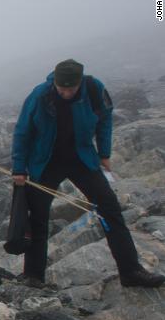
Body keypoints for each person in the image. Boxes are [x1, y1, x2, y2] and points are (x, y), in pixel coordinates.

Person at [11, 59, 164, 288]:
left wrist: (104, 152)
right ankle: (34, 276)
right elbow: (23, 131)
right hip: (46, 162)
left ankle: (131, 271)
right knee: (39, 217)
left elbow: (105, 119)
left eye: (70, 89)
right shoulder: (40, 94)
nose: (65, 93)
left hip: (82, 159)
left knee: (109, 209)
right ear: (55, 82)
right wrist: (19, 167)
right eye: (61, 88)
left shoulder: (94, 89)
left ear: (79, 82)